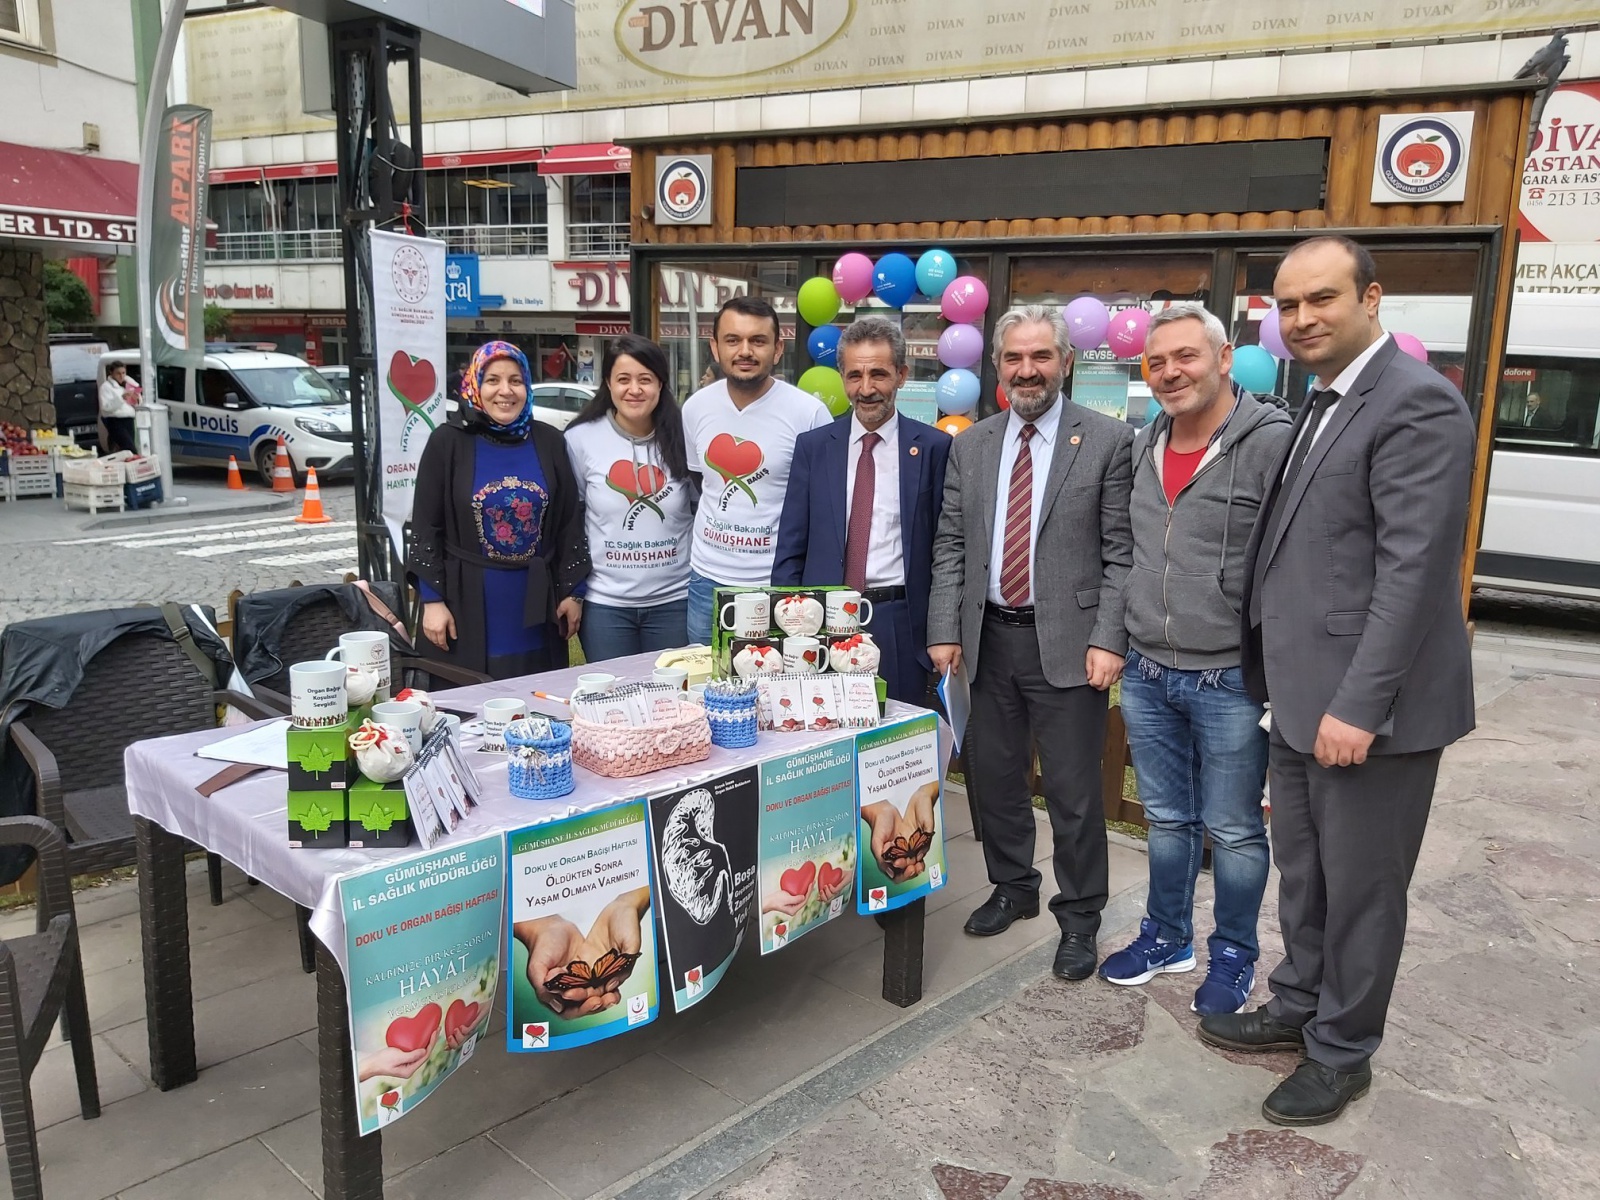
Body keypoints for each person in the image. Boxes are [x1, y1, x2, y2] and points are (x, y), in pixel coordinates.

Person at [1200, 236, 1476, 1127]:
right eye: (1287, 305)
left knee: (1362, 889)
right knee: (1308, 875)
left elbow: (1414, 574)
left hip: (1370, 713)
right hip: (1298, 699)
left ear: (1372, 298)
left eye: (1322, 298)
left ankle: (1342, 1050)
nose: (1302, 318)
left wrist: (1358, 705)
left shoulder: (1415, 403)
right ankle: (1299, 1003)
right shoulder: (1322, 400)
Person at [926, 304, 1134, 982]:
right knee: (993, 782)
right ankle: (1014, 887)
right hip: (987, 642)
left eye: (1041, 356)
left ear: (1066, 362)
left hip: (1071, 647)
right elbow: (952, 543)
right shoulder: (972, 444)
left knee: (1074, 794)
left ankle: (1079, 919)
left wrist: (1109, 638)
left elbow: (1121, 552)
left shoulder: (1107, 440)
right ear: (997, 365)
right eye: (1014, 357)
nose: (1027, 370)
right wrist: (944, 629)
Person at [1097, 303, 1292, 1015]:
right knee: (1167, 818)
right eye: (1157, 362)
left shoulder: (1272, 444)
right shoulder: (1144, 443)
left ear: (1224, 357)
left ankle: (1234, 956)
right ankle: (1167, 937)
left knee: (1234, 828)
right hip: (1149, 671)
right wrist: (1116, 638)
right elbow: (1127, 553)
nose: (1170, 372)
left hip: (1230, 677)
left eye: (1186, 356)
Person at [773, 317, 952, 705]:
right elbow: (791, 546)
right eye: (855, 375)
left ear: (901, 375)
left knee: (895, 735)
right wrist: (787, 626)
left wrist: (942, 632)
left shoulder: (934, 448)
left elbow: (947, 551)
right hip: (820, 621)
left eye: (879, 374)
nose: (866, 389)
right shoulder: (814, 447)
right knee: (822, 729)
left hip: (898, 623)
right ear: (842, 377)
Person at [407, 340, 590, 680]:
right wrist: (432, 601)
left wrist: (573, 592)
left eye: (515, 381)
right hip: (465, 604)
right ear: (475, 385)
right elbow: (426, 527)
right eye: (492, 380)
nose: (505, 391)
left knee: (536, 696)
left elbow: (569, 523)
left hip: (536, 605)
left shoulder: (549, 442)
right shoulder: (448, 442)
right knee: (467, 700)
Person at [681, 296, 832, 643]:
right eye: (733, 340)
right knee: (704, 672)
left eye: (758, 341)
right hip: (707, 580)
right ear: (715, 348)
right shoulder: (695, 408)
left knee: (774, 675)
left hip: (777, 583)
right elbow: (700, 480)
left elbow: (823, 504)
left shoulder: (808, 414)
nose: (745, 351)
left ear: (778, 349)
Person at [564, 334, 696, 660]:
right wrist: (573, 592)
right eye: (623, 379)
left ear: (661, 384)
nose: (634, 389)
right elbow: (570, 523)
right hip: (606, 607)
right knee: (614, 690)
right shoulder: (580, 439)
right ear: (608, 383)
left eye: (645, 380)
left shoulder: (685, 436)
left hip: (674, 602)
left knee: (672, 692)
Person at [99, 361, 139, 453]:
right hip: (115, 421)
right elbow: (105, 407)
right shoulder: (106, 387)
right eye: (118, 373)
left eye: (123, 373)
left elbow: (134, 404)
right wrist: (121, 398)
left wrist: (136, 399)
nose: (121, 376)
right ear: (111, 373)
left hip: (129, 420)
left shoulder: (126, 385)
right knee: (129, 448)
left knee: (128, 448)